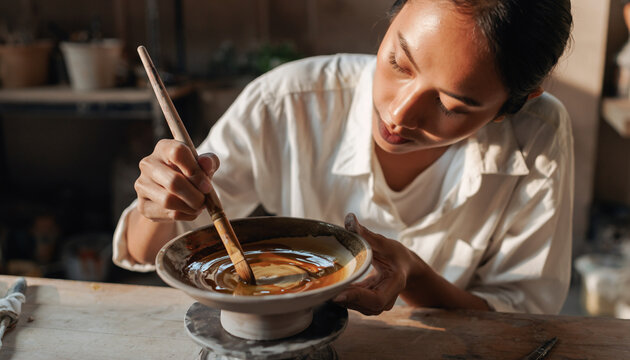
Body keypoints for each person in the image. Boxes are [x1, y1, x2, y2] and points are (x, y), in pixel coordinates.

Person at [113, 0, 574, 315]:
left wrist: (414, 278)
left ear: (516, 103)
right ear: (392, 19)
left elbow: (524, 320)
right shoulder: (289, 102)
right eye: (399, 62)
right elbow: (142, 251)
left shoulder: (537, 136)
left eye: (453, 106)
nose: (397, 113)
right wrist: (160, 201)